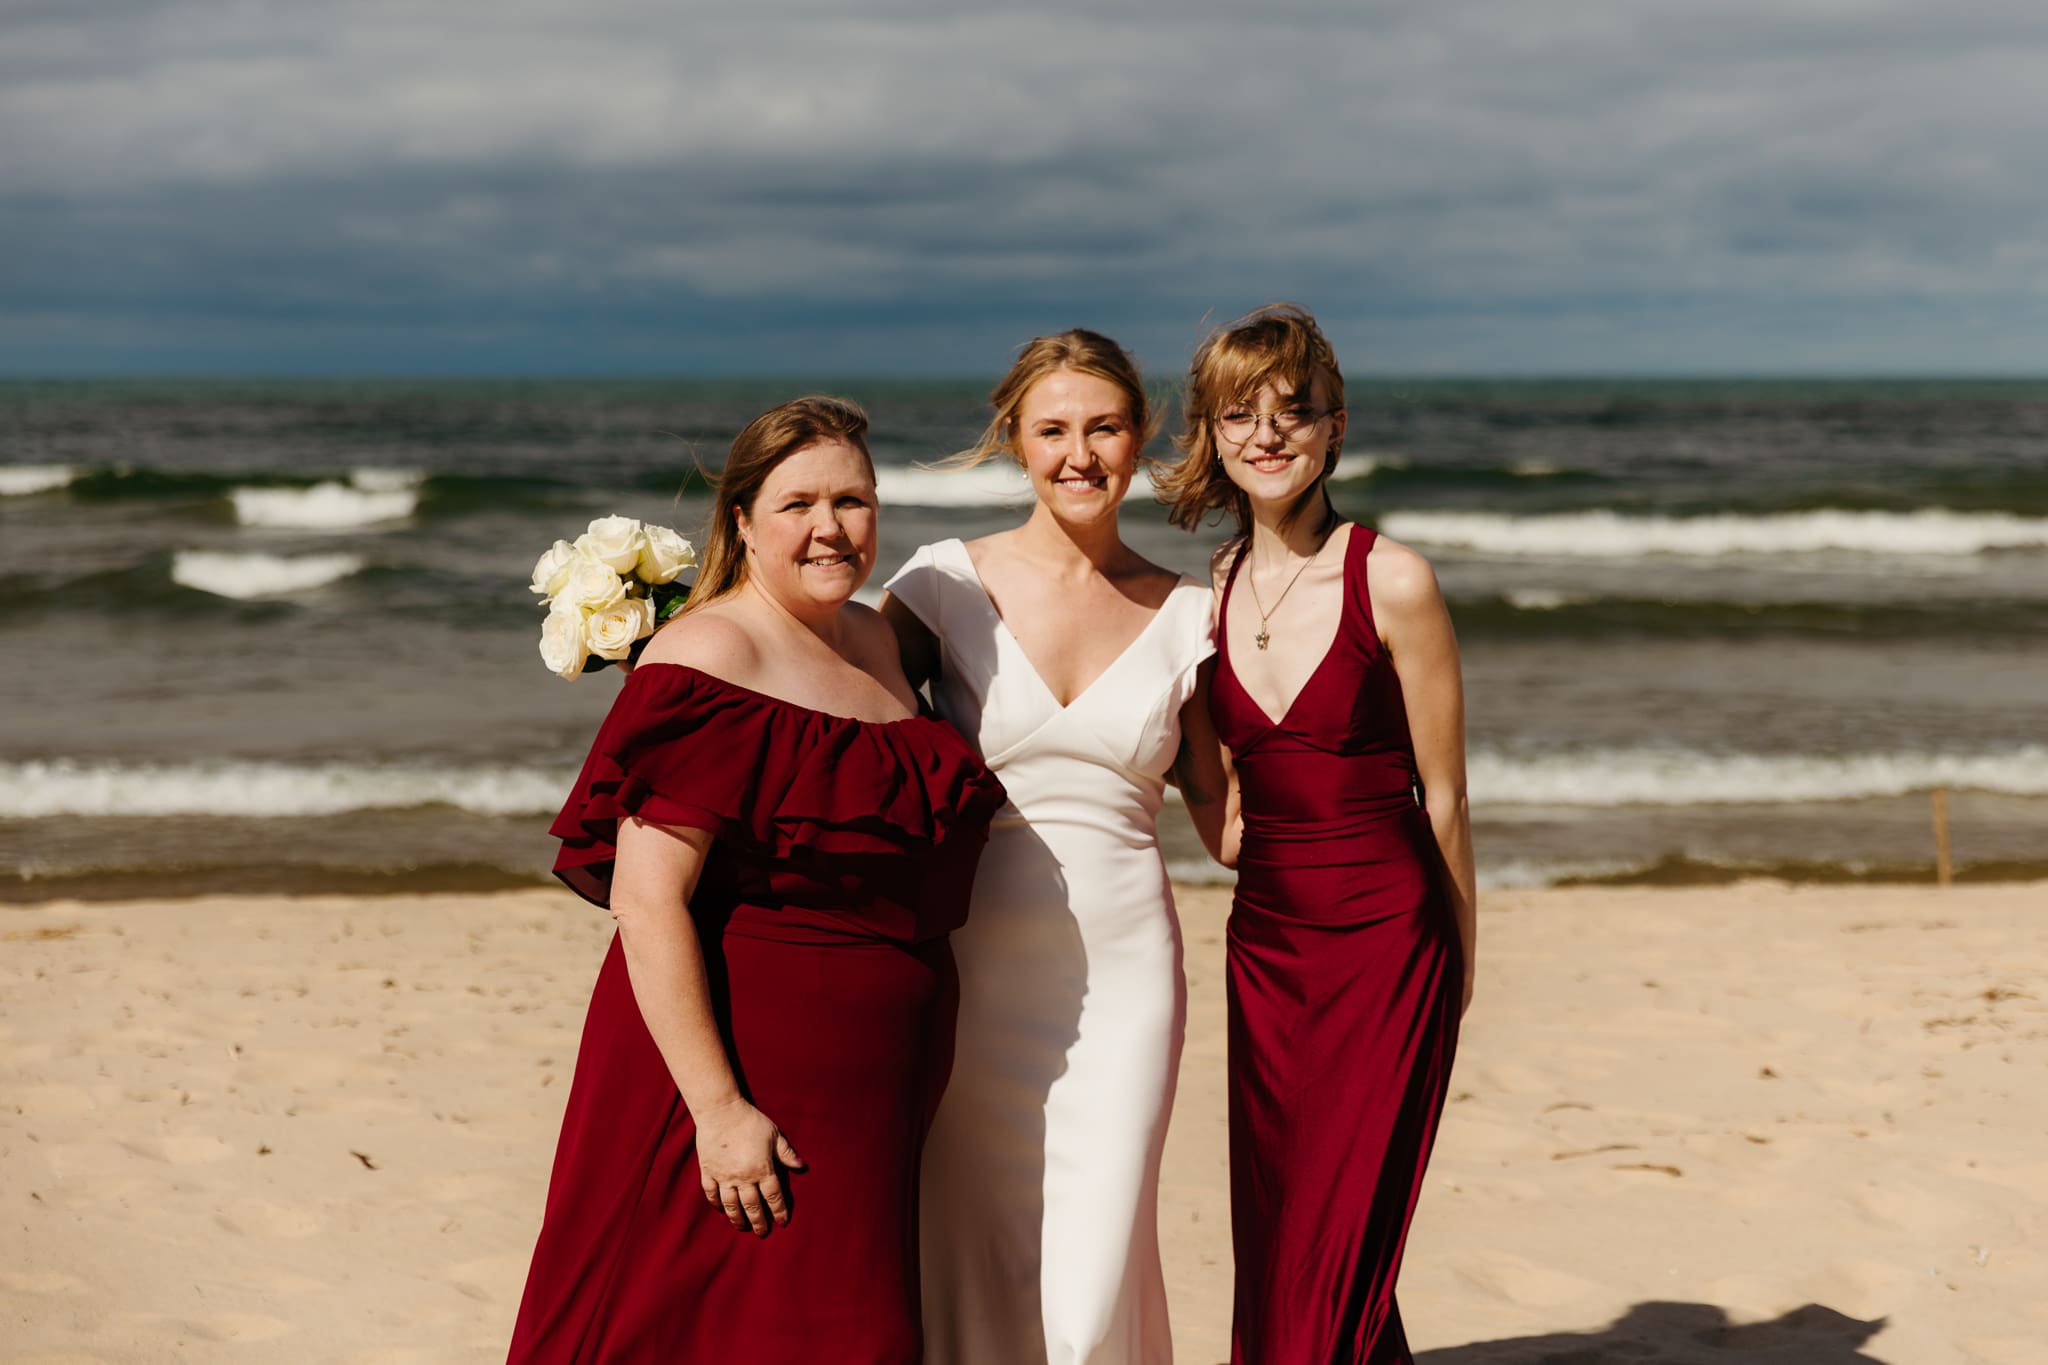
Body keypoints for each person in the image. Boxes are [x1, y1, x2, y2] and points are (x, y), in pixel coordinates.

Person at [506, 397, 1007, 1364]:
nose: (831, 527)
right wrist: (719, 1110)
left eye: (854, 501)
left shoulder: (880, 643)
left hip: (873, 1086)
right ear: (741, 520)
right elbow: (645, 901)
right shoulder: (706, 656)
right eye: (799, 503)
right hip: (740, 1072)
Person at [881, 331, 1233, 1365]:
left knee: (1093, 1268)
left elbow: (1224, 819)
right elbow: (833, 719)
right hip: (970, 969)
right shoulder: (939, 586)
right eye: (1052, 431)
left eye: (1104, 428)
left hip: (1125, 984)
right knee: (972, 1248)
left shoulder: (1188, 617)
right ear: (1013, 441)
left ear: (1141, 438)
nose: (1078, 455)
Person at [1157, 304, 1476, 1365]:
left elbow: (1444, 795)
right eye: (1238, 414)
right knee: (1284, 1214)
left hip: (1386, 940)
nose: (1266, 435)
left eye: (1292, 413)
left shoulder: (1391, 578)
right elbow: (1220, 799)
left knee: (1343, 1220)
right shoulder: (1210, 592)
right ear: (1209, 433)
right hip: (1266, 944)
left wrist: (1459, 961)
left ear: (1333, 429)